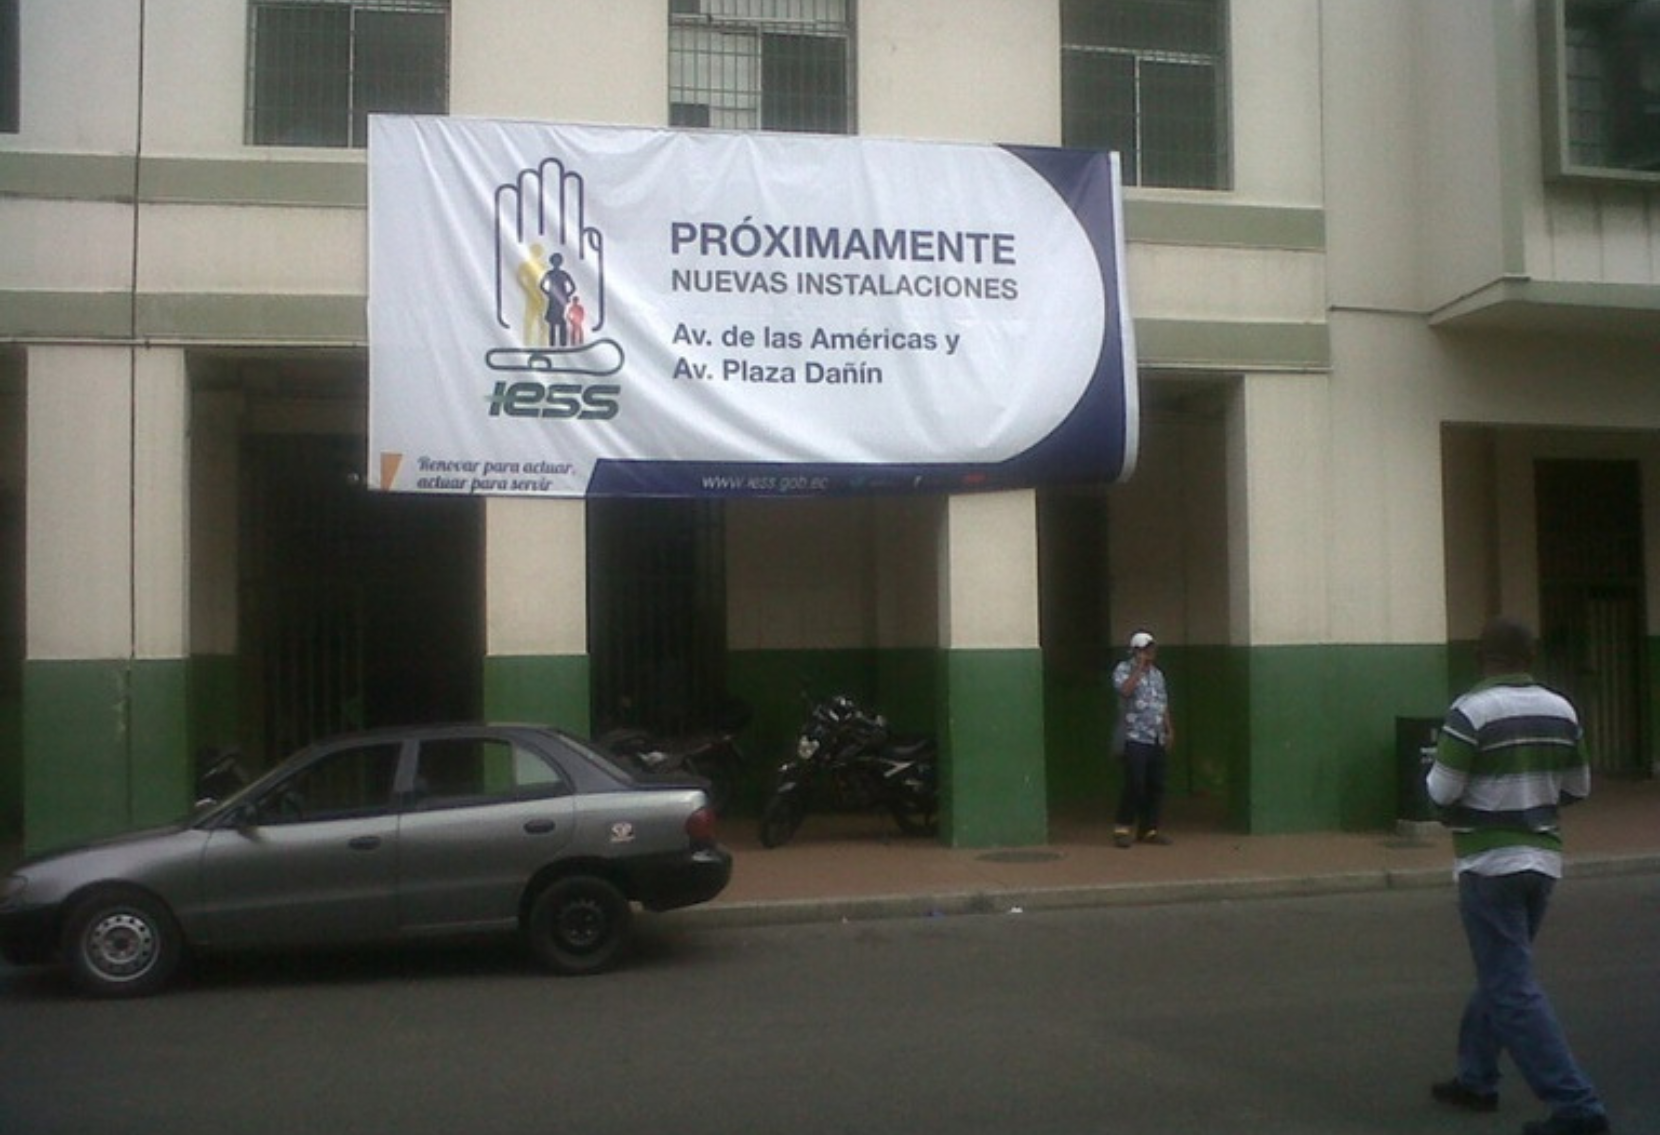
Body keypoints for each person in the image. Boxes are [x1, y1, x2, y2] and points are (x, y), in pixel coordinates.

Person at [1426, 617, 1610, 1135]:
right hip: (1542, 861)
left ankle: (1577, 1106)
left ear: (1481, 656)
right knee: (1502, 972)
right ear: (1532, 656)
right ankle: (1476, 1078)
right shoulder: (1562, 709)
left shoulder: (1470, 711)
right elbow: (1577, 788)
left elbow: (1441, 791)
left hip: (1489, 863)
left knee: (1510, 985)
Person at [1110, 630, 1174, 849]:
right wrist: (1138, 668)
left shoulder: (1157, 675)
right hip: (1134, 736)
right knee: (1135, 783)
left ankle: (1149, 829)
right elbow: (1125, 691)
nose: (1150, 654)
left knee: (1156, 784)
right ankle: (1122, 828)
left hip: (1155, 736)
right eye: (1146, 650)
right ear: (1136, 651)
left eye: (1152, 649)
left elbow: (1162, 703)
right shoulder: (1123, 669)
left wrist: (1168, 729)